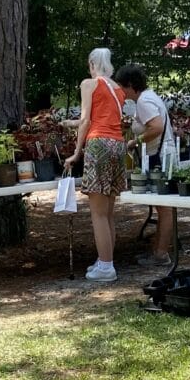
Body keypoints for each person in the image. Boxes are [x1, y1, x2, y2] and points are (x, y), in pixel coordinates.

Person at [65, 48, 127, 282]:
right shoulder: (118, 89)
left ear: (92, 64)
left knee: (98, 214)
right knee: (108, 213)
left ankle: (106, 267)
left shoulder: (89, 84)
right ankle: (105, 260)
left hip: (98, 145)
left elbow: (86, 121)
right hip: (118, 145)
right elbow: (105, 118)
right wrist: (70, 123)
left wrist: (76, 153)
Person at [116, 63, 176, 267]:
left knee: (165, 208)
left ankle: (161, 254)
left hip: (159, 157)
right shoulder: (148, 97)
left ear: (130, 85)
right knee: (162, 207)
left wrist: (135, 141)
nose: (121, 91)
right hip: (161, 154)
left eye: (122, 87)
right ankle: (158, 250)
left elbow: (156, 127)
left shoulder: (144, 100)